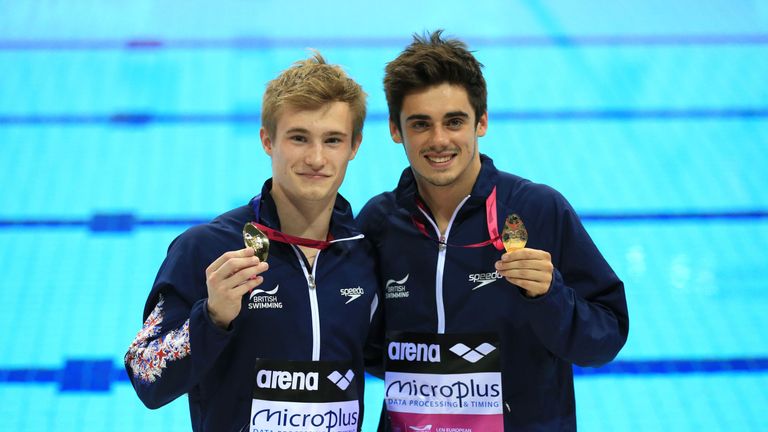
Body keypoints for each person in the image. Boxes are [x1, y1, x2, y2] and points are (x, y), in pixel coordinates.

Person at [357, 30, 629, 431]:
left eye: (454, 121)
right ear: (396, 130)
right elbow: (359, 341)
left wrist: (549, 296)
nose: (439, 140)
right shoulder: (380, 223)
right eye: (420, 124)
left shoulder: (537, 210)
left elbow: (606, 337)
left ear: (481, 122)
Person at [125, 52, 380, 432]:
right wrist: (212, 318)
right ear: (267, 140)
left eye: (332, 140)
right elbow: (147, 373)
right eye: (298, 138)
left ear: (354, 146)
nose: (315, 157)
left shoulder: (363, 252)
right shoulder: (208, 249)